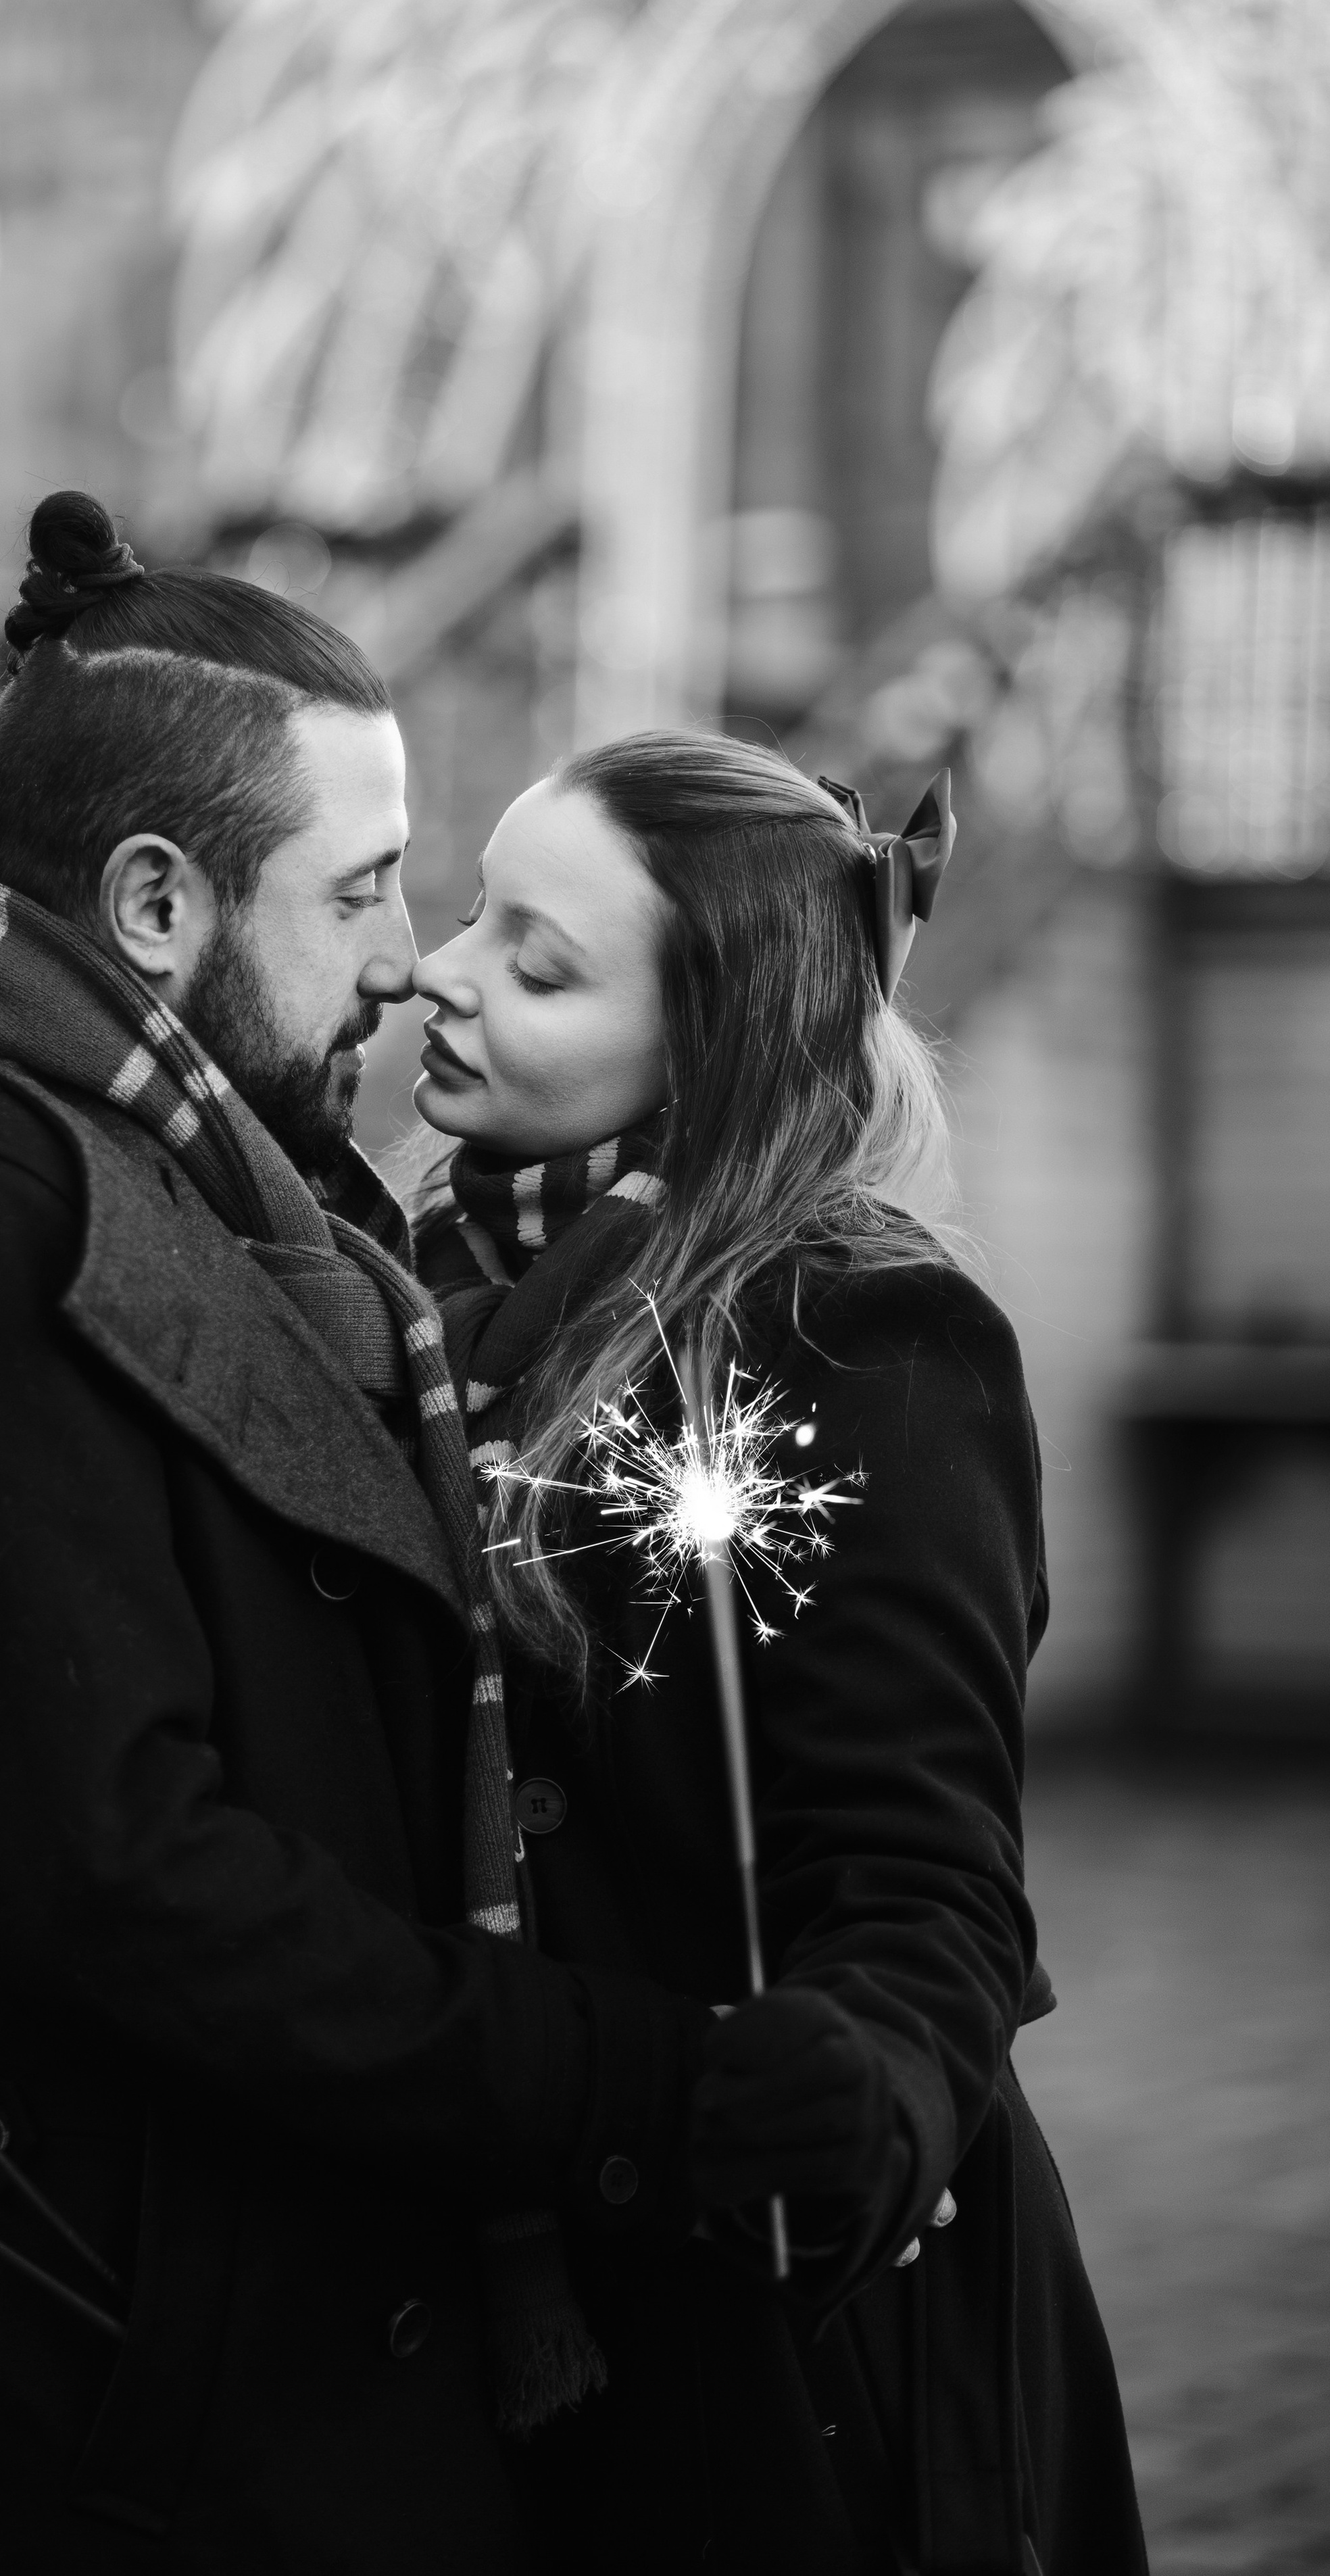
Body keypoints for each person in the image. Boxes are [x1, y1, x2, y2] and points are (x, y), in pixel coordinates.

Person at [0, 495, 742, 2574]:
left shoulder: (256, 1214)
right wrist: (621, 2077)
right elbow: (127, 1872)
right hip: (51, 2409)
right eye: (357, 890)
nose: (403, 955)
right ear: (157, 905)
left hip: (219, 2360)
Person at [409, 731, 1150, 2576]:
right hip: (522, 2277)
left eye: (537, 959)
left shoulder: (857, 1333)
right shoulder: (415, 1301)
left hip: (797, 2333)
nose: (442, 969)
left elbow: (929, 1872)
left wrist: (860, 2078)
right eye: (470, 913)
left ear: (707, 1047)